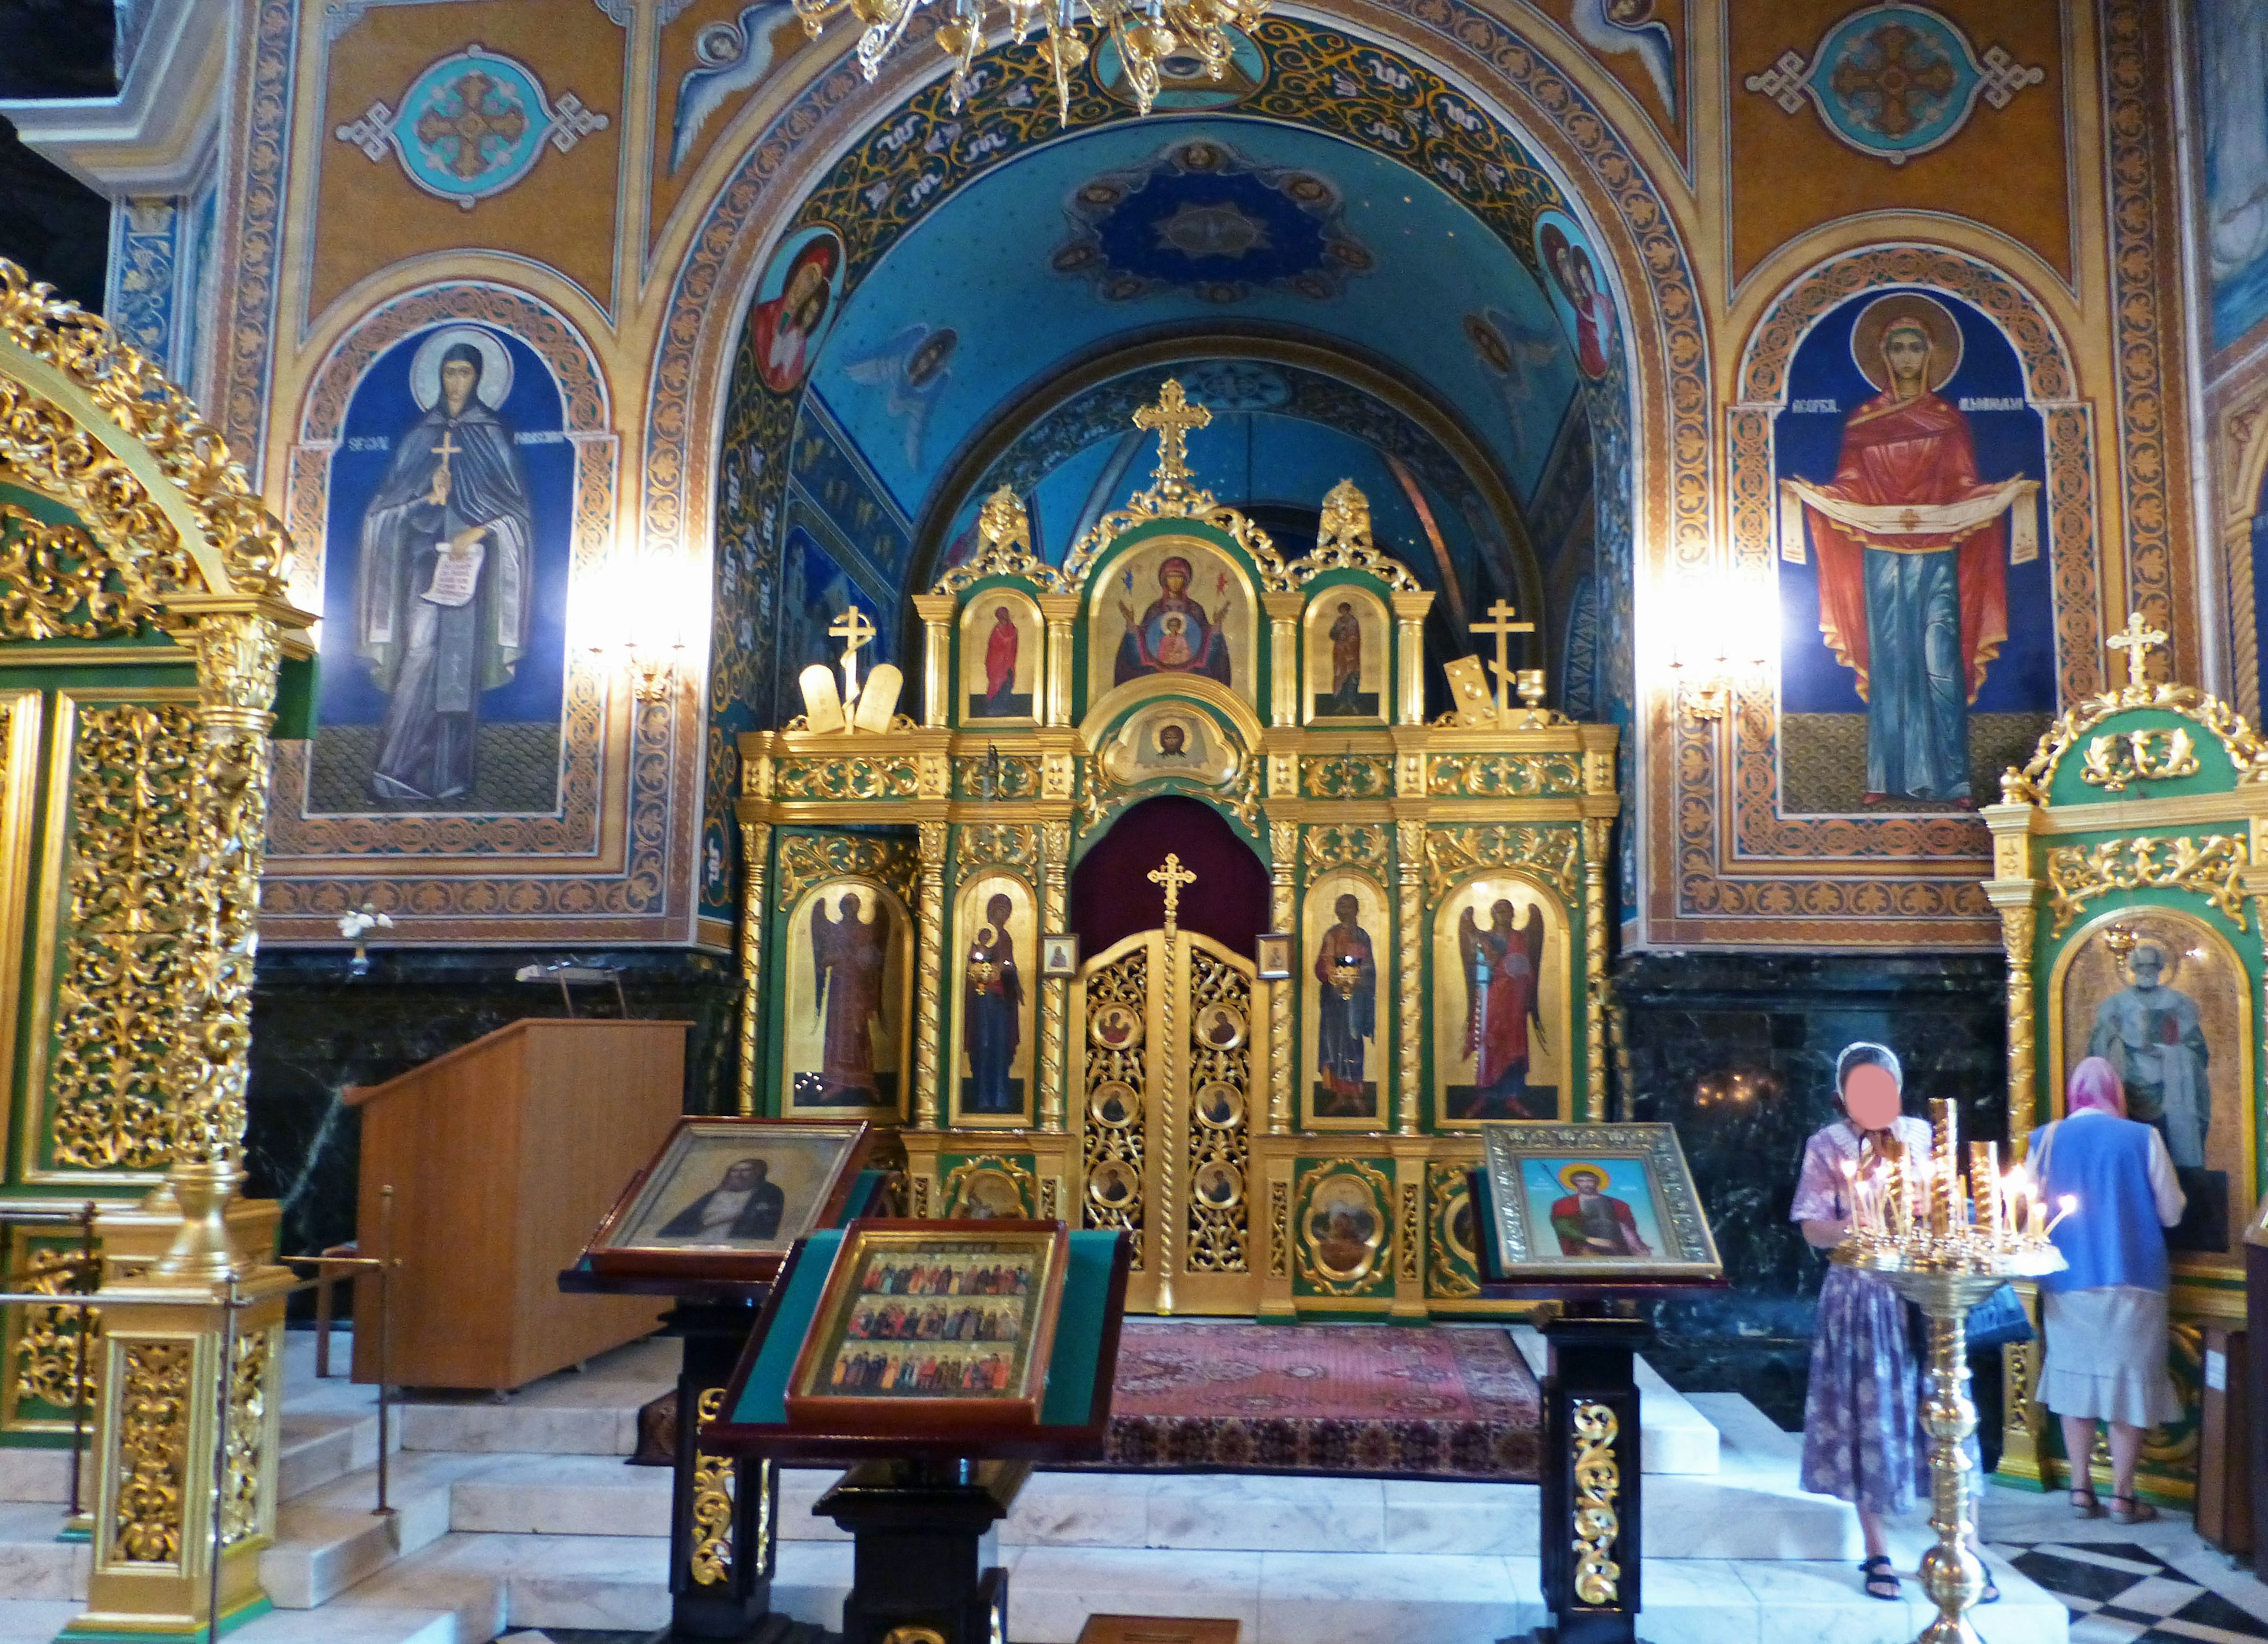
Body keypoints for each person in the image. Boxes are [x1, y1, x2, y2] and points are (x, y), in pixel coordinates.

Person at [1787, 296, 2035, 805]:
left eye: (1914, 348)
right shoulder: (1862, 420)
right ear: (1883, 355)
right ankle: (1885, 777)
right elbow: (1851, 485)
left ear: (1929, 355)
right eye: (1897, 348)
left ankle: (1954, 780)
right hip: (1881, 555)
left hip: (1937, 554)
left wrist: (1998, 494)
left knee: (1940, 657)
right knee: (1892, 661)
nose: (1905, 358)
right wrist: (1815, 495)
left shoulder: (1946, 420)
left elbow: (1963, 485)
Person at [1793, 1043, 1997, 1603]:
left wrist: (1939, 1221)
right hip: (1861, 1301)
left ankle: (1967, 1548)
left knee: (1951, 1411)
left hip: (1928, 1294)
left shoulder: (1925, 1137)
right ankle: (1877, 1548)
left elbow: (1953, 1208)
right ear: (1841, 1096)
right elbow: (1813, 1226)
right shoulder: (1827, 1145)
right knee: (1870, 1419)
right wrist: (1866, 1226)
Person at [352, 337, 534, 803]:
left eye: (465, 373)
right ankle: (397, 769)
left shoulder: (491, 434)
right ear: (438, 377)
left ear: (478, 379)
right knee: (419, 656)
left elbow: (515, 514)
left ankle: (449, 776)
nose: (456, 382)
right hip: (421, 574)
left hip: (471, 581)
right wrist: (427, 500)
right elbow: (382, 513)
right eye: (449, 372)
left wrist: (479, 531)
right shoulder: (419, 437)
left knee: (458, 671)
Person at [2030, 1056, 2185, 1524]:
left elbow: (2030, 1211)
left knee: (2075, 1382)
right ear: (2116, 1093)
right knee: (2129, 1387)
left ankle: (2080, 1488)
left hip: (2065, 1279)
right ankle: (2122, 1496)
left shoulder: (2046, 1138)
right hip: (2134, 1280)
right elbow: (2173, 1211)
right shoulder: (2142, 1137)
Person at [2087, 942, 2211, 1168]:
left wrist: (2168, 1052)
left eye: (2152, 966)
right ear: (2133, 969)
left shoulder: (2178, 1004)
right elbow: (2096, 1055)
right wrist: (2113, 1037)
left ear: (2161, 968)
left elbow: (2199, 1053)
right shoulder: (2115, 1005)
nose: (2147, 971)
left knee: (2167, 1157)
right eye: (2141, 966)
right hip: (2127, 1086)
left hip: (2171, 1091)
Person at [1457, 898, 1544, 1118]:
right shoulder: (1482, 939)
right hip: (1492, 1000)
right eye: (1502, 911)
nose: (1507, 915)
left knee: (1514, 1047)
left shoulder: (1520, 939)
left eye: (1510, 911)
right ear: (1494, 914)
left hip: (1514, 1002)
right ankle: (1484, 1096)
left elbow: (1527, 969)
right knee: (1490, 1044)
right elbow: (1477, 973)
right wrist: (1490, 964)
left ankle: (1513, 1097)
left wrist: (1513, 970)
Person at [810, 891, 889, 1103]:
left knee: (858, 1031)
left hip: (859, 990)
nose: (850, 908)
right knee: (838, 1032)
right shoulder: (833, 931)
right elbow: (823, 959)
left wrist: (862, 958)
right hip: (839, 989)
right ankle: (836, 1081)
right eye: (847, 905)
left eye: (854, 905)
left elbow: (874, 960)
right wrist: (838, 957)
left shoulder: (867, 931)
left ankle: (864, 1079)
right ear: (843, 908)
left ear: (858, 908)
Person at [1115, 556, 1232, 685]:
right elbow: (1142, 641)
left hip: (1191, 672)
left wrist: (1216, 627)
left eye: (1179, 577)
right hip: (1157, 671)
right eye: (1171, 577)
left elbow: (1207, 645)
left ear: (1186, 580)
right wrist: (1131, 625)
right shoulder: (1155, 609)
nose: (1175, 581)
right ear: (1164, 580)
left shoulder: (1195, 609)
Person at [1312, 892, 1377, 1116]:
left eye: (1348, 906)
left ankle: (1356, 1094)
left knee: (1353, 1044)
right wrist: (1334, 971)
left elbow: (1368, 967)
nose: (1344, 910)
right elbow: (1322, 965)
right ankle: (1339, 1095)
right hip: (1333, 1001)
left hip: (1356, 1001)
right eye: (1340, 905)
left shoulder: (1362, 937)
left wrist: (1351, 971)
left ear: (1356, 909)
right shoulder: (1331, 935)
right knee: (1332, 1045)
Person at [963, 891, 1024, 1113]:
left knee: (1000, 1050)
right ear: (990, 910)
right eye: (999, 909)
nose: (1003, 914)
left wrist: (1012, 978)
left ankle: (1000, 1098)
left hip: (1002, 1005)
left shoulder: (1005, 937)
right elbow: (972, 971)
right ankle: (981, 1098)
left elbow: (1010, 966)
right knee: (983, 1047)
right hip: (982, 1003)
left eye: (1006, 910)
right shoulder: (978, 938)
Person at [657, 1158, 786, 1242]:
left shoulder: (767, 1193)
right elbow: (683, 1223)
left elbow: (764, 1223)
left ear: (757, 1174)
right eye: (735, 1171)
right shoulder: (713, 1195)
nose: (739, 1175)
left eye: (746, 1170)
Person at [1547, 1166, 1652, 1256]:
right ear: (1575, 1183)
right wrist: (1589, 1239)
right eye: (1581, 1181)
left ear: (1596, 1182)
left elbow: (1627, 1228)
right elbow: (1562, 1227)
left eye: (1590, 1181)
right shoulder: (1564, 1204)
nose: (1586, 1184)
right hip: (1586, 1249)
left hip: (1618, 1249)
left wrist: (1637, 1245)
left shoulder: (1618, 1204)